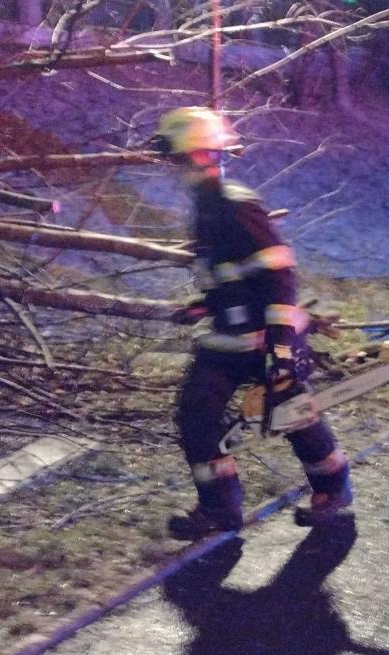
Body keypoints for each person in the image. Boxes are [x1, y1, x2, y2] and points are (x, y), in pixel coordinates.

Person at [150, 107, 352, 539]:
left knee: (293, 415)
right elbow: (232, 274)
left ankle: (333, 489)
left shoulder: (235, 203)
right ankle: (219, 508)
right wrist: (207, 305)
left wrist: (281, 351)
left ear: (200, 155)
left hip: (265, 338)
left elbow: (278, 276)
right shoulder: (205, 206)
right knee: (196, 417)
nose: (174, 168)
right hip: (226, 338)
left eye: (178, 159)